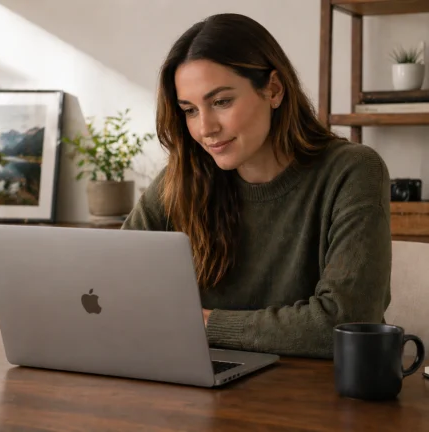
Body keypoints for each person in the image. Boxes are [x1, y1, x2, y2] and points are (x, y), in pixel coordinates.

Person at [121, 13, 391, 359]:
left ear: (273, 90)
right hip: (202, 390)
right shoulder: (183, 178)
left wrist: (205, 324)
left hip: (317, 399)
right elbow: (112, 284)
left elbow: (345, 324)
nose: (205, 128)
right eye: (189, 110)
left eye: (221, 102)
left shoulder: (352, 171)